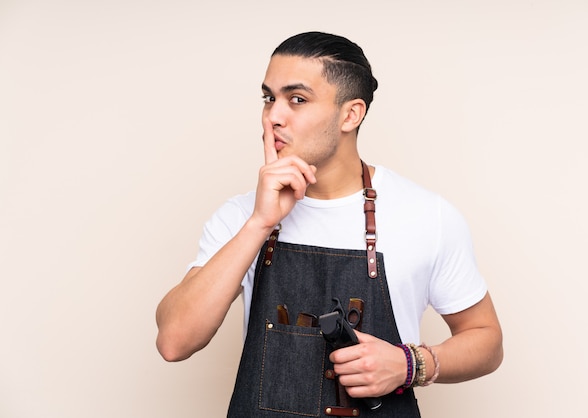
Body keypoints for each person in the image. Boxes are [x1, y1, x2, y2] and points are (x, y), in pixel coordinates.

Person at [156, 31, 503, 417]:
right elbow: (174, 341)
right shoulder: (241, 216)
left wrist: (411, 364)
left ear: (351, 114)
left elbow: (486, 341)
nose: (273, 116)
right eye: (269, 98)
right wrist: (260, 222)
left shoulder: (427, 215)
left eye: (297, 99)